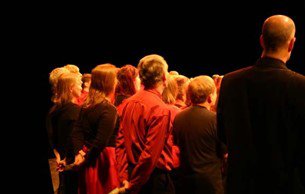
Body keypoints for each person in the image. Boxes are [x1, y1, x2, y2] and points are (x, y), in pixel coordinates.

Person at [217, 15, 305, 194]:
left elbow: (222, 133)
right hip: (284, 185)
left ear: (262, 40)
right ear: (292, 44)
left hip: (241, 185)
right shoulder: (301, 85)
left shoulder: (230, 81)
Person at [115, 54, 175, 194]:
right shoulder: (160, 109)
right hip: (151, 180)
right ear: (164, 78)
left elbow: (120, 142)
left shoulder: (128, 103)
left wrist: (124, 177)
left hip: (132, 173)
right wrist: (134, 185)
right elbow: (150, 155)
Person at [71, 64, 120, 194]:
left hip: (88, 155)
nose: (117, 82)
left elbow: (77, 131)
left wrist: (79, 154)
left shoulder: (86, 105)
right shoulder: (109, 109)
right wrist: (86, 160)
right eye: (115, 78)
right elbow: (101, 141)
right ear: (109, 83)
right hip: (102, 160)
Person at [173, 76, 226, 194]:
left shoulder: (179, 117)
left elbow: (177, 145)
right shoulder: (215, 120)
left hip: (185, 182)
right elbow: (223, 151)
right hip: (210, 183)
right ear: (210, 97)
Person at [46, 72, 83, 194]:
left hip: (62, 162)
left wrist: (58, 156)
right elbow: (75, 139)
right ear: (71, 88)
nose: (81, 86)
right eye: (79, 83)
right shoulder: (75, 111)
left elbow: (51, 137)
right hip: (73, 164)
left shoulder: (54, 110)